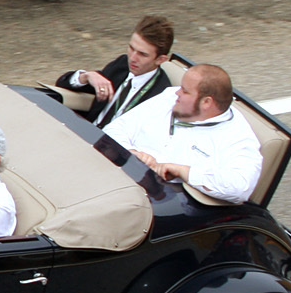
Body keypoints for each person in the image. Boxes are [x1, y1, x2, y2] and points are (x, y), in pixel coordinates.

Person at [104, 63, 263, 203]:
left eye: (185, 91)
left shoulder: (237, 138)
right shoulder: (168, 98)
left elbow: (240, 187)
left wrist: (182, 171)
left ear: (206, 102)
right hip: (119, 177)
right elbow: (113, 129)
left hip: (159, 204)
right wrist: (133, 154)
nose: (177, 93)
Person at [56, 15, 175, 128]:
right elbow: (62, 84)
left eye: (142, 54)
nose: (132, 58)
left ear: (160, 59)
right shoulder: (122, 65)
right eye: (131, 48)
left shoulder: (161, 96)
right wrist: (86, 76)